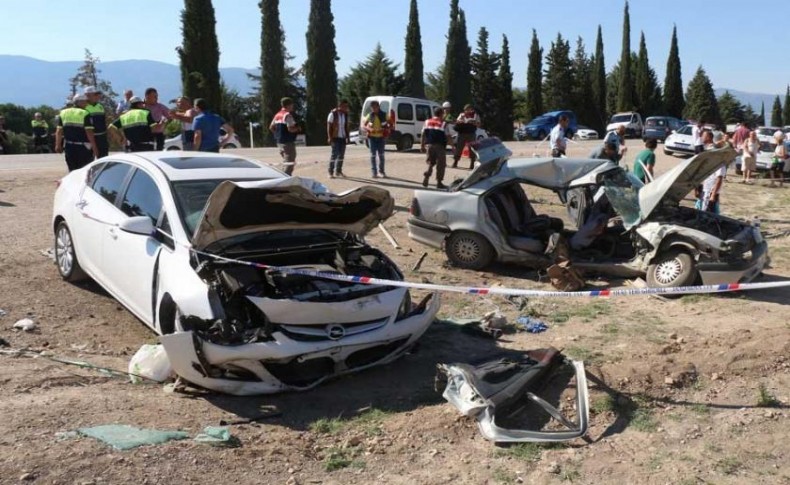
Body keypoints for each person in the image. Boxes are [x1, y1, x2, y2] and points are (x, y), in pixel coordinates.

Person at [55, 94, 98, 171]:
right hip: (83, 148)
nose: (87, 104)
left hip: (69, 147)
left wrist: (58, 145)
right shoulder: (85, 113)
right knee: (84, 171)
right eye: (85, 102)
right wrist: (94, 147)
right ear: (80, 102)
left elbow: (59, 131)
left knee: (72, 170)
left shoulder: (63, 113)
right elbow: (89, 132)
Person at [421, 107, 453, 189]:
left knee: (431, 163)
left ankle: (427, 175)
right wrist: (453, 146)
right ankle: (439, 182)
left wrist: (422, 145)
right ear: (441, 114)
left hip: (429, 145)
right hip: (440, 146)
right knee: (441, 164)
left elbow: (423, 134)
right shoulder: (443, 123)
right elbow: (448, 136)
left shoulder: (427, 121)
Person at [695, 131, 726, 213]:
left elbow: (719, 178)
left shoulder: (718, 160)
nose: (702, 137)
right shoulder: (705, 153)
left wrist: (713, 195)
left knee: (709, 215)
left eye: (703, 136)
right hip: (705, 190)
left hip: (711, 192)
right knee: (701, 212)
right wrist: (697, 189)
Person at [269, 97, 300, 175]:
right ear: (288, 105)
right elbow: (290, 129)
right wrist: (298, 129)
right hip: (288, 142)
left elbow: (271, 127)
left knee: (286, 162)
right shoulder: (287, 115)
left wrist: (277, 135)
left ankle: (283, 176)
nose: (292, 106)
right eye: (292, 105)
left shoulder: (278, 114)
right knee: (289, 162)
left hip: (279, 142)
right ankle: (285, 178)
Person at [363, 100, 389, 178]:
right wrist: (369, 129)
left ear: (378, 107)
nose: (374, 109)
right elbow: (364, 125)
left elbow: (391, 124)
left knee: (381, 156)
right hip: (372, 138)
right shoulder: (370, 115)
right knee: (373, 156)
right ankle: (374, 172)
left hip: (381, 138)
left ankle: (382, 172)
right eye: (372, 107)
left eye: (375, 107)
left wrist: (385, 129)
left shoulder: (384, 115)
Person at [326, 99, 350, 178]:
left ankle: (338, 171)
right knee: (334, 155)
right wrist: (330, 137)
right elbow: (329, 126)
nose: (346, 108)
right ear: (340, 106)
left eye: (346, 106)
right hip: (335, 137)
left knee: (341, 155)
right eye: (344, 106)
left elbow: (346, 126)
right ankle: (330, 172)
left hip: (342, 137)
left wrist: (347, 137)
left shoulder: (345, 115)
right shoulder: (333, 114)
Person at [84, 86, 108, 158]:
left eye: (98, 94)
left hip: (101, 137)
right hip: (88, 138)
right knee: (88, 160)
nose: (98, 96)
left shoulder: (100, 106)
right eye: (95, 94)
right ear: (87, 95)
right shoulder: (84, 106)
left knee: (103, 158)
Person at [453, 104, 480, 168]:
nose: (467, 111)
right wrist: (461, 121)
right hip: (462, 133)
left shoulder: (475, 115)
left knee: (472, 148)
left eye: (468, 109)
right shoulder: (462, 115)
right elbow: (457, 122)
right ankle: (455, 162)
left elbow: (479, 124)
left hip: (471, 133)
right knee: (459, 148)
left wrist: (473, 122)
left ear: (471, 109)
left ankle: (472, 164)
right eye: (466, 110)